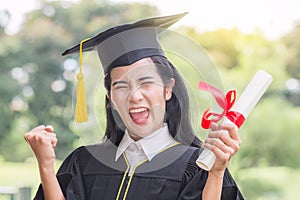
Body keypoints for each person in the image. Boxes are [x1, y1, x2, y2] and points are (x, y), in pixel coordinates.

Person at [24, 12, 244, 200]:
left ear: (168, 89)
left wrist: (215, 174)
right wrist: (46, 165)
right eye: (121, 86)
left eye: (145, 82)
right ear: (110, 98)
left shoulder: (199, 166)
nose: (134, 96)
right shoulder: (83, 163)